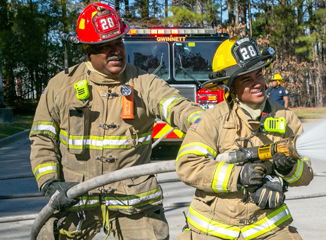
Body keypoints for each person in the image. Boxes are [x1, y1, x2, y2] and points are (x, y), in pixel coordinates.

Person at [29, 3, 203, 240]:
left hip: (134, 204)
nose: (115, 51)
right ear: (88, 50)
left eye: (118, 43)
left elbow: (178, 108)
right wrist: (50, 184)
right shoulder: (60, 87)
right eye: (105, 46)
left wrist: (206, 124)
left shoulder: (144, 83)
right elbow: (42, 139)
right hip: (75, 200)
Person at [175, 36, 313, 240]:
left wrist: (287, 169)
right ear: (231, 86)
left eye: (259, 75)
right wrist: (237, 176)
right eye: (247, 79)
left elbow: (306, 174)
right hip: (211, 228)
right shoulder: (212, 119)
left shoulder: (286, 118)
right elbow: (188, 165)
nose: (258, 83)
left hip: (268, 226)